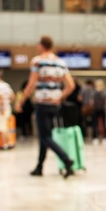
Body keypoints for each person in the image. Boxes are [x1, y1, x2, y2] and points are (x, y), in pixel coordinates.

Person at [15, 36, 75, 178]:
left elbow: (31, 85)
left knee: (45, 137)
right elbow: (71, 85)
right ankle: (39, 167)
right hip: (54, 105)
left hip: (42, 104)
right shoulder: (60, 63)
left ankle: (66, 159)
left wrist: (20, 101)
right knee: (45, 136)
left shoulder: (38, 61)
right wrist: (59, 97)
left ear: (41, 46)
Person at [0, 71, 14, 149]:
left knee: (2, 128)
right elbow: (12, 96)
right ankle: (10, 143)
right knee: (6, 128)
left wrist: (2, 109)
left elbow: (1, 97)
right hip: (7, 109)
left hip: (1, 110)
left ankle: (5, 144)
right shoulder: (6, 85)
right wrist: (8, 104)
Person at [92, 79, 106, 145]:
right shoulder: (104, 91)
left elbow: (92, 102)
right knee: (103, 124)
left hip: (97, 109)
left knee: (96, 124)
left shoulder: (94, 92)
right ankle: (104, 138)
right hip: (100, 109)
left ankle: (96, 138)